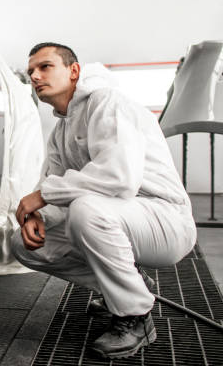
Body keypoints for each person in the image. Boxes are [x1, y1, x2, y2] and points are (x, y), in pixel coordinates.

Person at [12, 43, 196, 359]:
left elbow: (118, 177)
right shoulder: (61, 129)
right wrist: (38, 218)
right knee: (24, 244)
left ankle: (135, 317)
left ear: (73, 71)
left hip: (164, 219)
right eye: (31, 72)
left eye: (45, 67)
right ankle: (125, 288)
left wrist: (41, 197)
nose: (35, 76)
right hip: (119, 218)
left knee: (87, 210)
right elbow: (56, 189)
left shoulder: (108, 102)